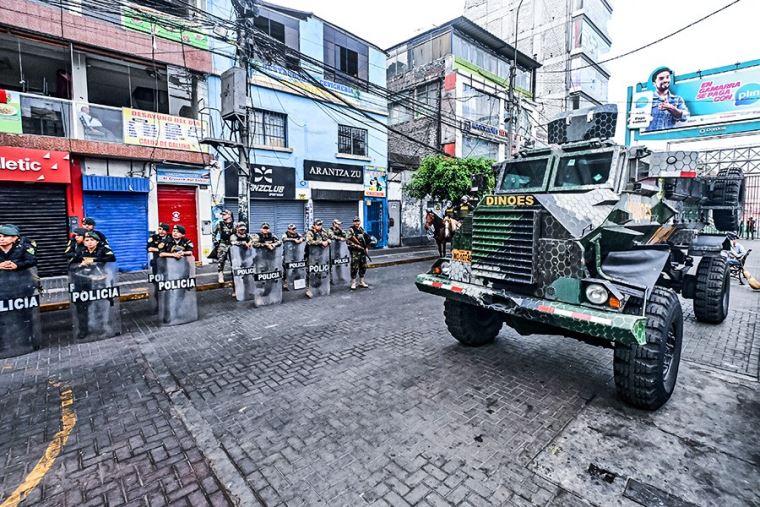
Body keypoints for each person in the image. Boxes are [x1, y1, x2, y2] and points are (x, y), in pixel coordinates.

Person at [646, 67, 689, 132]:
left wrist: (672, 108)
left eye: (667, 77)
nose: (665, 80)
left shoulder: (677, 99)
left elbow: (685, 117)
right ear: (654, 83)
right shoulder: (647, 99)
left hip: (669, 138)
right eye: (661, 78)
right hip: (650, 138)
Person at [305, 219, 331, 299]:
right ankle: (308, 289)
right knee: (310, 272)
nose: (320, 226)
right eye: (318, 224)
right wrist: (320, 242)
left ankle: (318, 286)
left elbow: (329, 238)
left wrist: (327, 242)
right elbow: (309, 241)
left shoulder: (323, 231)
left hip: (321, 255)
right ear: (314, 225)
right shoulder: (310, 232)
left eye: (320, 224)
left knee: (320, 271)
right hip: (311, 255)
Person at [346, 216, 370, 290]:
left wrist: (366, 247)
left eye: (358, 221)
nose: (357, 223)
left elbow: (366, 239)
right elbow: (348, 241)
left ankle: (361, 281)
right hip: (355, 251)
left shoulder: (362, 229)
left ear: (360, 222)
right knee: (354, 267)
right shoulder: (351, 230)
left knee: (363, 266)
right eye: (355, 221)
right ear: (353, 222)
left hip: (362, 251)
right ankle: (353, 282)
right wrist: (357, 246)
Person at [212, 209, 235, 283]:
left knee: (234, 260)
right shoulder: (219, 224)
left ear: (229, 215)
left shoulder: (235, 224)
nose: (223, 216)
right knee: (221, 260)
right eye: (222, 215)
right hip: (223, 244)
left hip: (232, 244)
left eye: (224, 214)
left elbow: (239, 234)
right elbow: (213, 233)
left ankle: (234, 274)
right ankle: (220, 274)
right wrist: (215, 241)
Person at [281, 224, 304, 291]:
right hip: (288, 254)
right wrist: (294, 240)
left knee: (297, 268)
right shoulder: (285, 234)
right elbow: (284, 239)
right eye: (292, 229)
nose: (294, 230)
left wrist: (301, 239)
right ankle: (286, 282)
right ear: (289, 229)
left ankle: (296, 282)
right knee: (288, 269)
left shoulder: (297, 234)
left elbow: (303, 237)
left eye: (295, 228)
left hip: (296, 253)